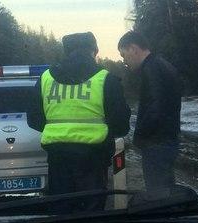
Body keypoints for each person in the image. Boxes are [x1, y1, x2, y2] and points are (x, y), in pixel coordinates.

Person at [27, 32, 131, 213]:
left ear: (66, 51)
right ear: (94, 51)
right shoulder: (105, 79)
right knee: (92, 209)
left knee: (61, 207)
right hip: (93, 156)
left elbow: (33, 119)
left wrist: (60, 130)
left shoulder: (45, 78)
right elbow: (121, 124)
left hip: (58, 155)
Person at [118, 31, 182, 192]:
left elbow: (155, 108)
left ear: (133, 48)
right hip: (166, 140)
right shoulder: (161, 65)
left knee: (158, 194)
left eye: (124, 55)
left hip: (157, 143)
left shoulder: (152, 69)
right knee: (166, 190)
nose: (124, 61)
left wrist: (140, 136)